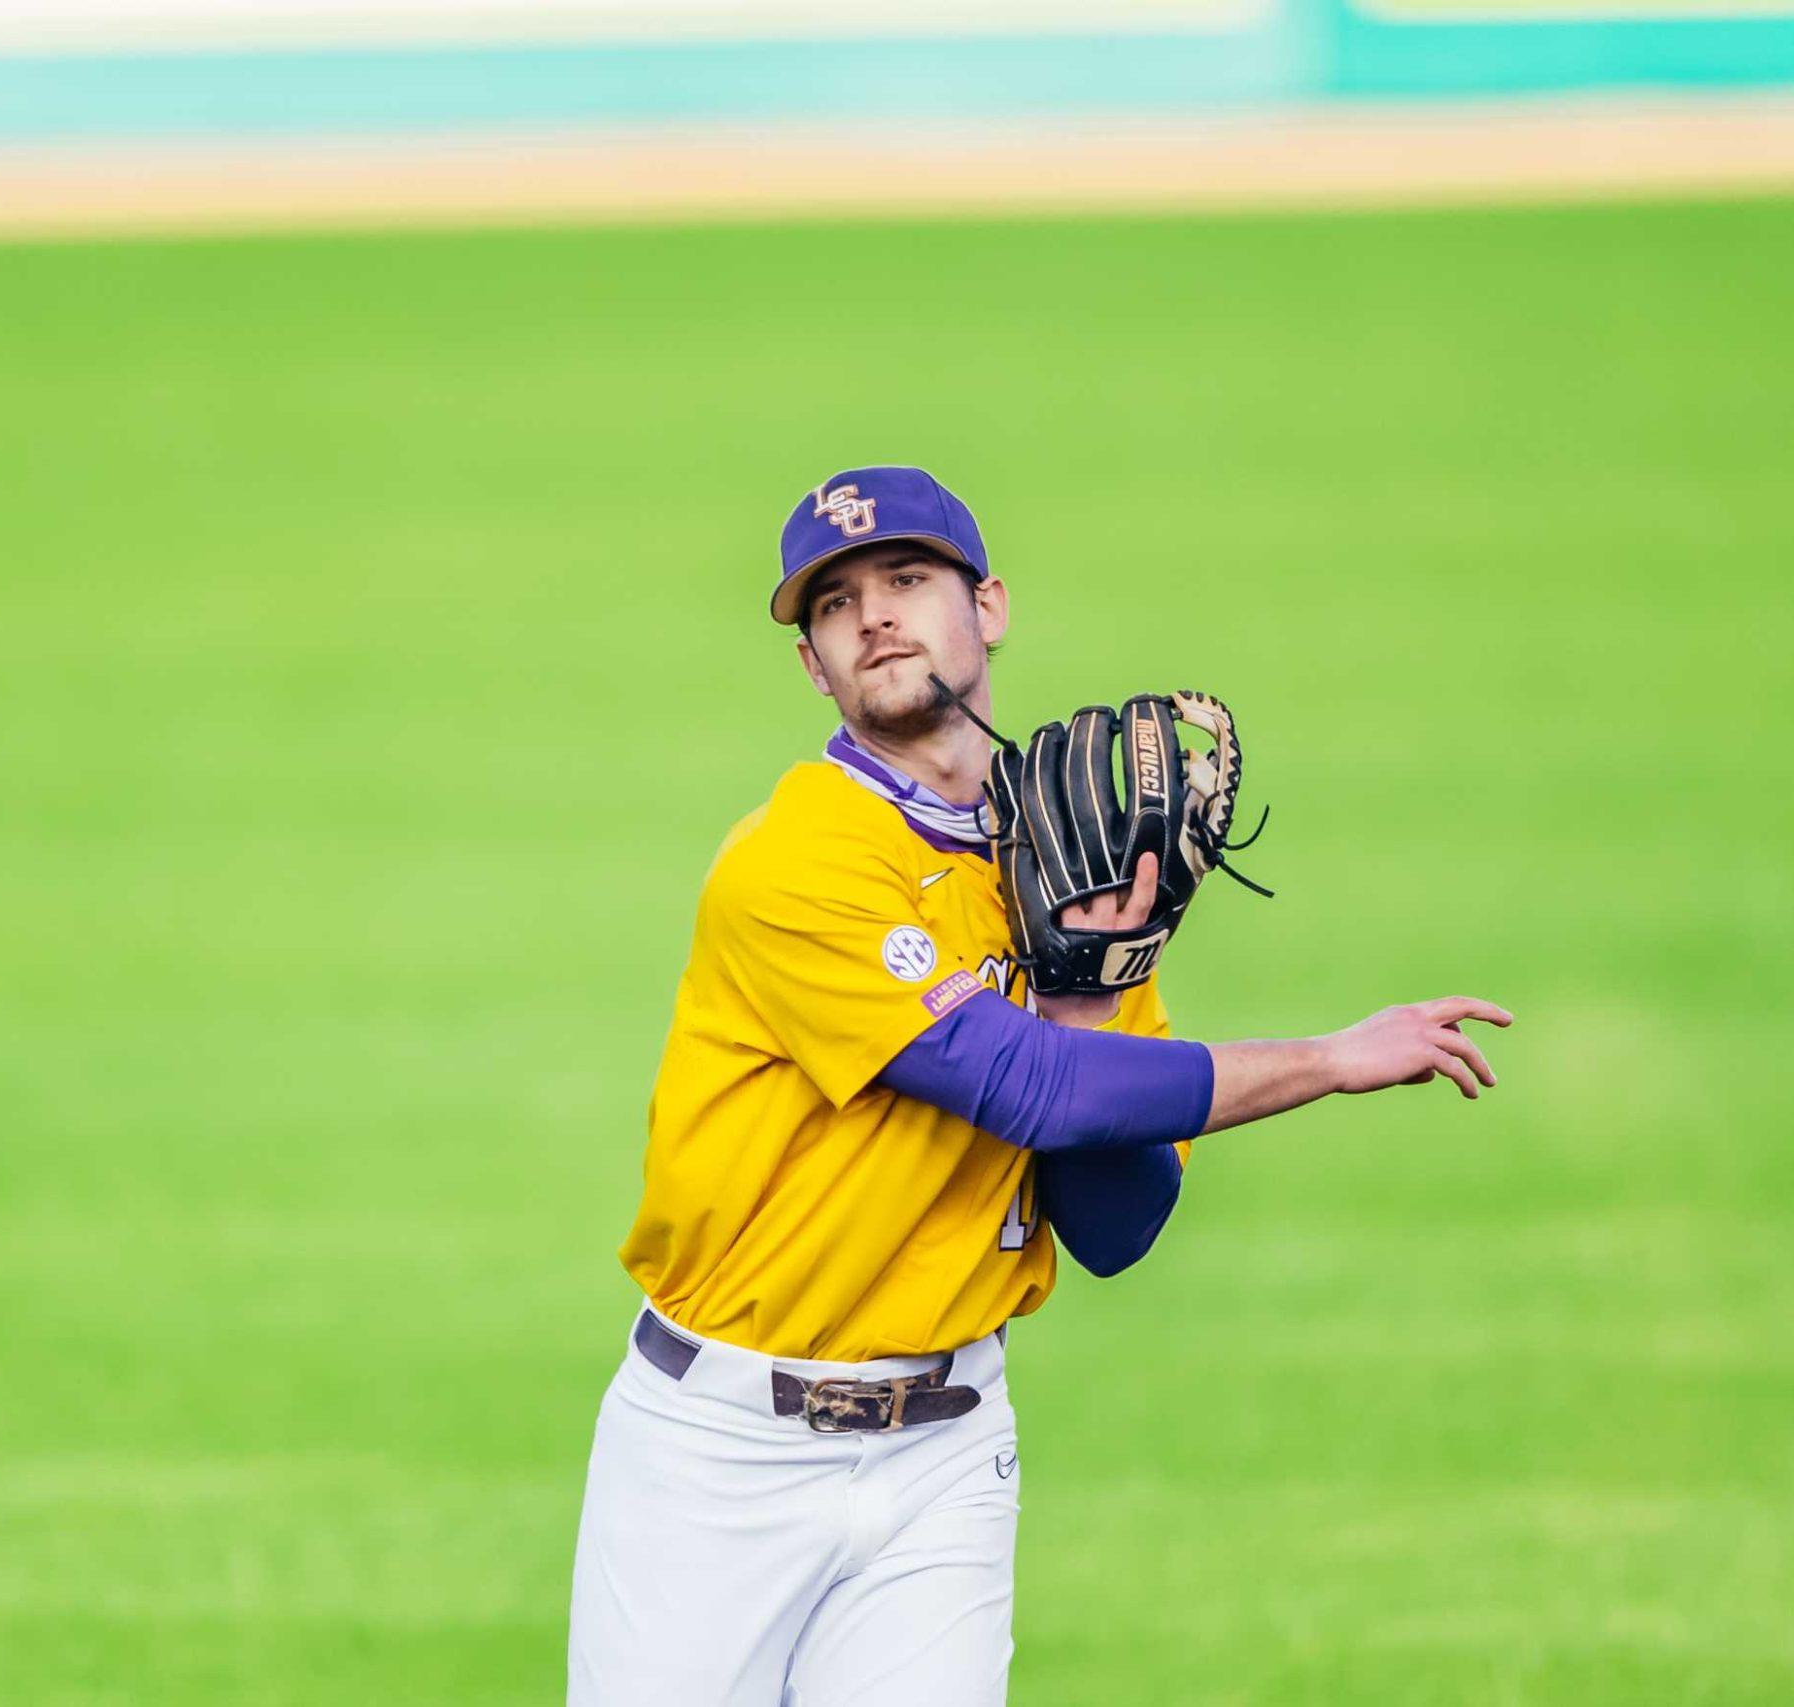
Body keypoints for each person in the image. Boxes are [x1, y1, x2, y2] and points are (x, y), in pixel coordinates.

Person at [565, 465, 1512, 1706]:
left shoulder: (1071, 858)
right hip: (719, 1457)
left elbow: (1116, 1228)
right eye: (836, 604)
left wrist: (1090, 983)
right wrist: (1330, 1061)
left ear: (989, 608)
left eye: (907, 579)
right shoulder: (792, 863)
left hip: (946, 1462)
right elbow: (1027, 1088)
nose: (877, 616)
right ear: (813, 668)